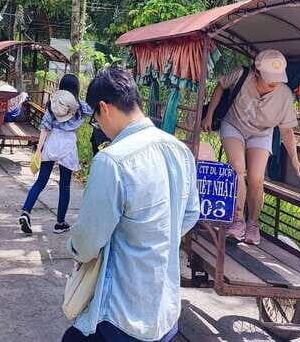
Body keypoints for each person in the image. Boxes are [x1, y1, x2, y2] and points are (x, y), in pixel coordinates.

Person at [62, 67, 199, 342]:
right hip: (163, 312)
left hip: (120, 313)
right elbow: (191, 213)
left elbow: (87, 241)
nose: (99, 127)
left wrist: (74, 248)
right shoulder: (180, 150)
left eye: (96, 120)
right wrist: (158, 236)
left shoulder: (112, 160)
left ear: (104, 108)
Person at [201, 49, 300, 245]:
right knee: (237, 167)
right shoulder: (241, 75)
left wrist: (295, 159)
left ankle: (253, 224)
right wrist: (209, 115)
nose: (274, 83)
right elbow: (220, 86)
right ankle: (238, 219)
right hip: (234, 125)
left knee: (257, 178)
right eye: (269, 78)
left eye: (277, 78)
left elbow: (286, 131)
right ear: (256, 72)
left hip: (262, 132)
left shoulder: (284, 95)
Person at [19, 75, 91, 235]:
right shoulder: (79, 106)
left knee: (41, 182)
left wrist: (39, 150)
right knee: (64, 185)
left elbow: (45, 127)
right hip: (68, 144)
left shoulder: (52, 103)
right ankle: (60, 223)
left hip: (52, 141)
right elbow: (91, 111)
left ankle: (26, 211)